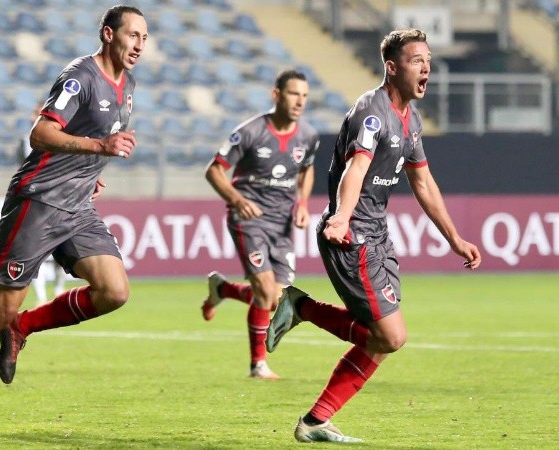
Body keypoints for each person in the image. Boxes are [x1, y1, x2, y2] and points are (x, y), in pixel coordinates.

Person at [0, 5, 148, 431]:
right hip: (38, 202)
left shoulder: (127, 85)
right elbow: (40, 133)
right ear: (108, 35)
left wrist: (88, 173)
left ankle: (23, 327)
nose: (139, 45)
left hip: (77, 206)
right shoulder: (80, 77)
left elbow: (91, 139)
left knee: (114, 290)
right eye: (133, 35)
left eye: (144, 38)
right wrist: (98, 151)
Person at [265, 28, 481, 443]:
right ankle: (302, 310)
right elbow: (356, 168)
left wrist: (454, 238)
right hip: (353, 237)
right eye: (418, 60)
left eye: (429, 60)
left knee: (383, 339)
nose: (427, 68)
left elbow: (424, 183)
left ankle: (316, 421)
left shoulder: (410, 119)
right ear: (392, 66)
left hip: (377, 234)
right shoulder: (372, 110)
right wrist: (342, 217)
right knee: (390, 336)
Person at [201, 69, 320, 380]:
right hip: (248, 219)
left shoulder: (308, 135)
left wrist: (304, 203)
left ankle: (224, 289)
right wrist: (237, 199)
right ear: (276, 95)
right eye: (294, 94)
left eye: (305, 96)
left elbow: (306, 169)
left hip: (282, 224)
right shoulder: (250, 132)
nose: (300, 101)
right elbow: (214, 171)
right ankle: (258, 365)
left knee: (277, 298)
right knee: (265, 292)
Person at [16, 102, 67, 306]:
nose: (35, 116)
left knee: (61, 252)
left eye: (39, 112)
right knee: (35, 253)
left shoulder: (60, 139)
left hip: (58, 198)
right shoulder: (24, 141)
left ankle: (59, 290)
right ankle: (41, 298)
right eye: (34, 113)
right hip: (34, 200)